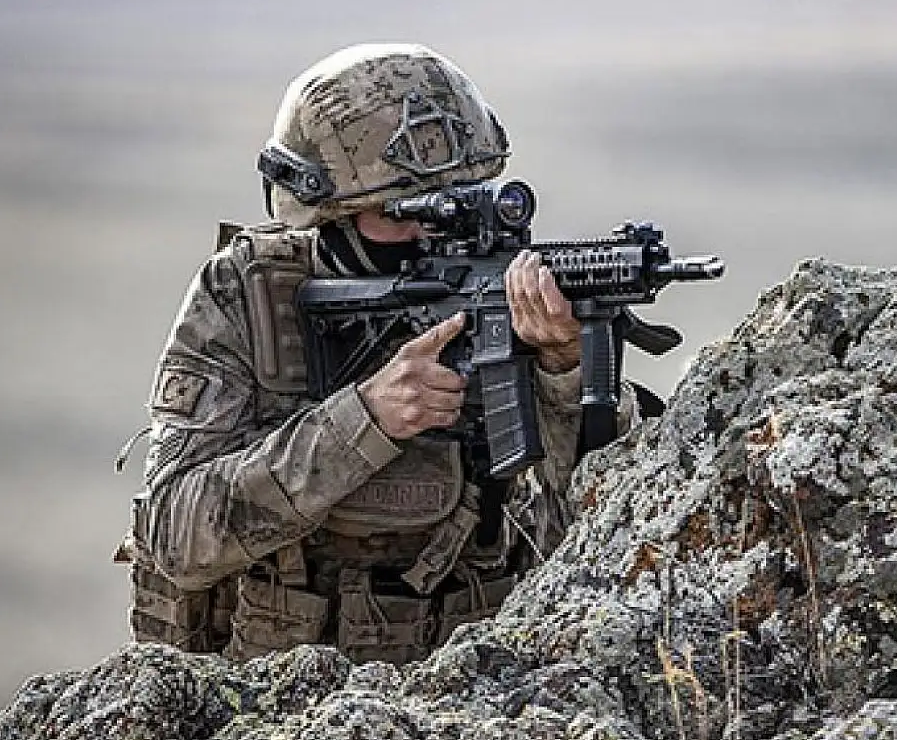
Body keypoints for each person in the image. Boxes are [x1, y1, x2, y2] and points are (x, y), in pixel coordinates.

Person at [120, 43, 629, 664]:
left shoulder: (501, 287)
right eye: (401, 213)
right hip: (268, 684)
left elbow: (594, 528)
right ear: (325, 216)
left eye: (461, 200)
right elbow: (177, 532)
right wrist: (366, 419)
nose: (431, 234)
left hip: (465, 675)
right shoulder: (249, 295)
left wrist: (561, 371)